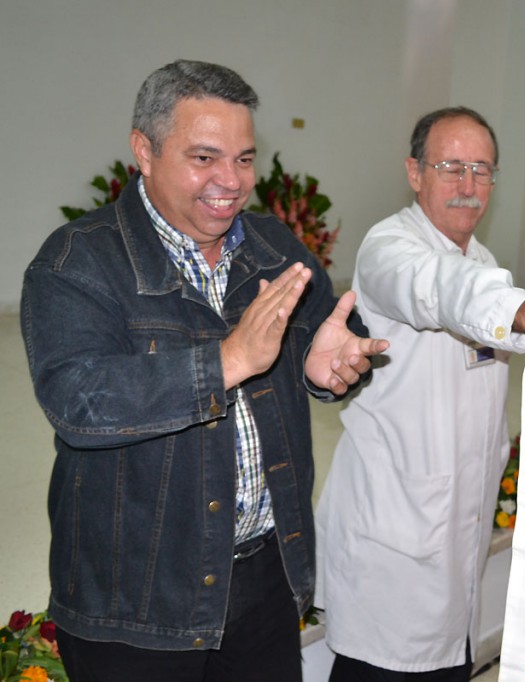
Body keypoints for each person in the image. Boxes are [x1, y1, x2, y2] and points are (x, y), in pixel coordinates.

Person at [21, 60, 388, 681]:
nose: (231, 182)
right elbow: (78, 402)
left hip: (263, 582)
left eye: (244, 159)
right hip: (137, 606)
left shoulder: (274, 247)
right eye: (204, 158)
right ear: (144, 149)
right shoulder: (77, 262)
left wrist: (326, 368)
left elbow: (327, 341)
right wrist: (226, 361)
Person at [315, 106, 525, 680]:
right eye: (451, 167)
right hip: (393, 542)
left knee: (446, 664)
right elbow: (440, 288)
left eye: (482, 170)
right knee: (381, 666)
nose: (468, 186)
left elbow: (515, 334)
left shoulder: (484, 262)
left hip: (457, 535)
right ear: (414, 172)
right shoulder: (387, 249)